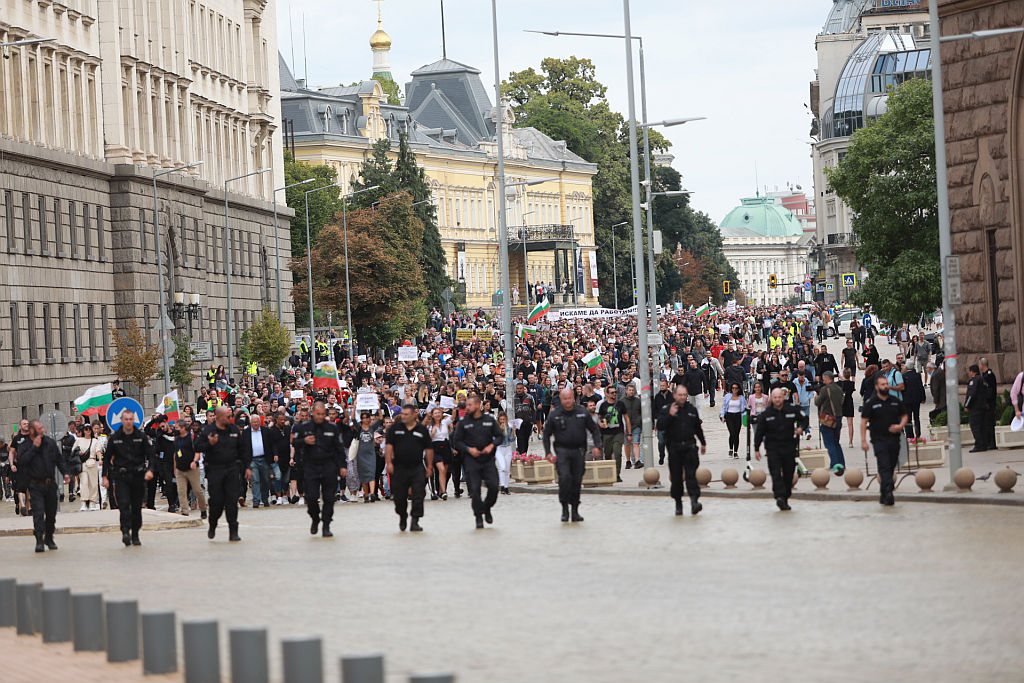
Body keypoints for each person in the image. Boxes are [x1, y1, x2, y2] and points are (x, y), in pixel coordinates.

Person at [543, 388, 602, 523]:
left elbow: (594, 429)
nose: (567, 401)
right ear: (561, 399)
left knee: (576, 480)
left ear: (573, 397)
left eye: (569, 398)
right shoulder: (555, 414)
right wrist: (547, 452)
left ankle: (575, 510)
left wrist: (597, 446)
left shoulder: (582, 412)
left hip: (579, 451)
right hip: (562, 451)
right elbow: (546, 434)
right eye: (564, 399)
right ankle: (564, 508)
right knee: (564, 478)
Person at [195, 406, 251, 542]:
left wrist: (247, 468)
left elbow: (243, 450)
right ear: (219, 417)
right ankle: (212, 524)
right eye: (227, 416)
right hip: (215, 470)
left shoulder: (234, 429)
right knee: (217, 502)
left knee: (232, 501)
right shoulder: (208, 430)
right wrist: (210, 443)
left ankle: (233, 531)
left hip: (232, 469)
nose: (230, 418)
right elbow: (197, 447)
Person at [291, 402, 347, 537]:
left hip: (329, 466)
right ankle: (315, 518)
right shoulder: (303, 427)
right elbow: (294, 443)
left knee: (329, 498)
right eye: (318, 414)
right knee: (311, 497)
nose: (320, 417)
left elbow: (339, 449)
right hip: (311, 466)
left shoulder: (332, 428)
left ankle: (326, 525)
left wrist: (342, 466)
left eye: (323, 414)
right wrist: (304, 441)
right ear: (313, 413)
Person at [14, 420, 70, 552]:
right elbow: (22, 462)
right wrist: (34, 447)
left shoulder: (50, 443)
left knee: (51, 514)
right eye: (39, 429)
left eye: (42, 428)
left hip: (50, 484)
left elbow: (59, 459)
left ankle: (49, 537)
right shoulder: (26, 444)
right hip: (35, 485)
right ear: (32, 431)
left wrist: (66, 473)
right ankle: (39, 540)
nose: (42, 430)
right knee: (38, 513)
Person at [102, 410, 156, 547]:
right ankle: (125, 531)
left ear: (134, 420)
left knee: (137, 508)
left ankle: (136, 534)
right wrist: (105, 477)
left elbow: (151, 455)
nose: (128, 422)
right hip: (121, 476)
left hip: (138, 476)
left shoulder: (141, 436)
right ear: (121, 420)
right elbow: (107, 458)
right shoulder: (115, 438)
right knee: (124, 505)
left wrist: (150, 470)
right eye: (126, 419)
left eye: (131, 419)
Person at [451, 394, 503, 529]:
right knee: (474, 490)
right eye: (466, 405)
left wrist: (492, 445)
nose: (467, 407)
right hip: (471, 460)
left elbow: (500, 436)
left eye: (469, 405)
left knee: (493, 486)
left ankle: (486, 508)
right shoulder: (463, 422)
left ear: (477, 405)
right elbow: (457, 441)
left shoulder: (489, 420)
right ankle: (478, 517)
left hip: (488, 460)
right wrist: (468, 449)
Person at [860, 375, 908, 506]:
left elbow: (904, 415)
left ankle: (884, 492)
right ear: (876, 387)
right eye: (882, 384)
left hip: (894, 439)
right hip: (879, 439)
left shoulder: (895, 400)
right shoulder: (871, 402)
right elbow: (863, 422)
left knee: (891, 465)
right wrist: (863, 440)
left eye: (886, 384)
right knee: (884, 464)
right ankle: (888, 491)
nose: (885, 386)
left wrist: (900, 426)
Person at [384, 404, 433, 532]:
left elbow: (428, 449)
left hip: (416, 467)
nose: (403, 416)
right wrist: (389, 463)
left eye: (406, 414)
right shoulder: (395, 428)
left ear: (414, 415)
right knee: (399, 497)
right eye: (403, 414)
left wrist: (429, 465)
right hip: (399, 467)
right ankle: (402, 516)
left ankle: (415, 520)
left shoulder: (421, 429)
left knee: (418, 494)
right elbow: (389, 446)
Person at [753, 388, 803, 511]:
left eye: (779, 397)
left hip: (789, 447)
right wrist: (756, 448)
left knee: (788, 474)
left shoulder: (791, 409)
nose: (777, 400)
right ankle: (779, 497)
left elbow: (804, 418)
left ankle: (785, 497)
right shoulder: (766, 414)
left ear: (783, 397)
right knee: (775, 473)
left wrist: (801, 428)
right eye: (774, 397)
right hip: (773, 449)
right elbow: (759, 432)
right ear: (771, 398)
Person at [660, 386, 706, 516]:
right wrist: (670, 415)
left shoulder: (691, 409)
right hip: (674, 448)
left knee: (691, 475)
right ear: (674, 395)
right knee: (676, 478)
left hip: (689, 448)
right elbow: (660, 426)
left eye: (684, 395)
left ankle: (694, 502)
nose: (682, 397)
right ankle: (678, 504)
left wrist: (703, 443)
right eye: (680, 395)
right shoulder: (667, 409)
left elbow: (697, 428)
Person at [173, 418, 208, 518]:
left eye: (177, 428)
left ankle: (203, 509)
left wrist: (194, 461)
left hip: (192, 469)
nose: (175, 430)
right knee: (181, 491)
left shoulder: (192, 438)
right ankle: (184, 511)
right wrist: (175, 468)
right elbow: (175, 454)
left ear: (183, 428)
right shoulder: (177, 439)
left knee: (197, 490)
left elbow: (198, 452)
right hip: (180, 469)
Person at [814, 371, 845, 474]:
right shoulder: (839, 389)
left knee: (829, 443)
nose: (823, 381)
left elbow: (818, 403)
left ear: (828, 378)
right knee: (836, 442)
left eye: (824, 379)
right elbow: (842, 402)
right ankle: (842, 463)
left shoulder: (825, 389)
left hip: (828, 419)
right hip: (838, 418)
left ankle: (835, 464)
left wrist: (816, 398)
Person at [597, 385, 626, 481]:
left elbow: (626, 418)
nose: (614, 394)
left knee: (617, 453)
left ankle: (617, 474)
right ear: (607, 394)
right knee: (608, 453)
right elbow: (599, 418)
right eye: (612, 393)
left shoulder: (620, 404)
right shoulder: (603, 405)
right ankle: (610, 473)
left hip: (618, 432)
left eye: (615, 392)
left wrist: (628, 432)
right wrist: (600, 424)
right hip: (606, 433)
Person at [73, 423, 104, 511]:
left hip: (92, 462)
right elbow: (73, 451)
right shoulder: (79, 440)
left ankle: (92, 502)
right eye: (86, 429)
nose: (88, 431)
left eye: (89, 429)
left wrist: (100, 459)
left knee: (93, 484)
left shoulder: (95, 441)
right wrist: (78, 453)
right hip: (82, 464)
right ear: (83, 430)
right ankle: (83, 502)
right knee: (84, 483)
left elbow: (98, 451)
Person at [719, 383, 747, 459]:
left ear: (738, 389)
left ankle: (735, 452)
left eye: (736, 388)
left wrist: (745, 420)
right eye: (733, 388)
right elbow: (724, 407)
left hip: (738, 416)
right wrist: (722, 416)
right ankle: (731, 448)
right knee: (732, 433)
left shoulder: (741, 398)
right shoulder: (727, 396)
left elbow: (744, 409)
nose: (734, 390)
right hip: (729, 416)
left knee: (736, 434)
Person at [965, 365, 988, 452]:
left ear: (972, 372)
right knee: (982, 426)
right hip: (982, 406)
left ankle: (978, 444)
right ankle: (984, 444)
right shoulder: (983, 379)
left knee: (975, 426)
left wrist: (967, 406)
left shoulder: (974, 380)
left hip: (975, 407)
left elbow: (971, 394)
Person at [979, 357, 998, 451]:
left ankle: (992, 443)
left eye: (980, 364)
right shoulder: (985, 375)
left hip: (989, 404)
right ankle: (988, 442)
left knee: (989, 423)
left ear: (982, 365)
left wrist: (987, 401)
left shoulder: (989, 375)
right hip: (986, 403)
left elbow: (989, 390)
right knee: (986, 423)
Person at [495, 412, 515, 495]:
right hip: (499, 448)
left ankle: (506, 487)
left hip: (507, 448)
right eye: (501, 419)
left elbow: (511, 439)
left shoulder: (509, 427)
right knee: (502, 467)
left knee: (507, 469)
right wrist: (500, 430)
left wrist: (513, 430)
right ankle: (502, 486)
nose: (502, 421)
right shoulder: (496, 428)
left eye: (504, 419)